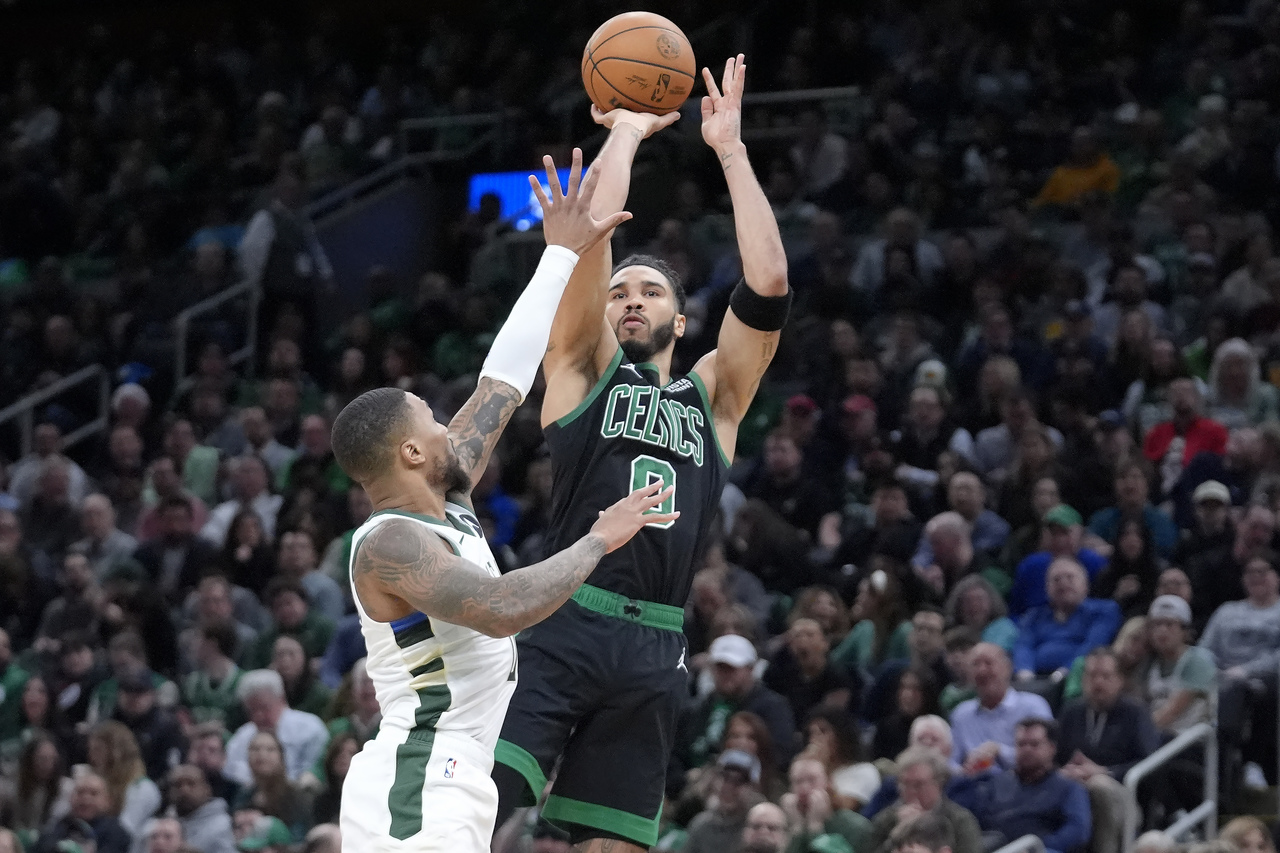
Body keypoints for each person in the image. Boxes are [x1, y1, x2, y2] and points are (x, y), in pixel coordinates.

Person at [495, 56, 793, 852]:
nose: (631, 299)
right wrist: (625, 131)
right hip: (563, 615)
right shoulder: (580, 369)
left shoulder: (715, 398)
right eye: (620, 291)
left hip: (656, 641)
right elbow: (588, 235)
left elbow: (769, 280)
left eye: (650, 291)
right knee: (475, 806)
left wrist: (730, 150)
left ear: (681, 320)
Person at [330, 149, 660, 853]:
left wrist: (560, 255)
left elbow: (502, 383)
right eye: (430, 417)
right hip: (420, 777)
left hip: (452, 774)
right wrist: (599, 539)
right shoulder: (389, 544)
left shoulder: (444, 494)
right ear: (409, 452)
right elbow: (502, 606)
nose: (447, 424)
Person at [1056, 648, 1159, 853]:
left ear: (1120, 680)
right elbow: (1055, 757)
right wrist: (1066, 771)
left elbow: (1150, 763)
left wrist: (1104, 771)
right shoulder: (1071, 712)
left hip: (1125, 794)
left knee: (1098, 785)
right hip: (1074, 788)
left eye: (1105, 676)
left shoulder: (1135, 713)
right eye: (1092, 676)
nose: (1098, 683)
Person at [675, 634, 796, 774]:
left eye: (732, 668)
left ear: (751, 669)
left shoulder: (773, 708)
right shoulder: (697, 709)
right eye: (720, 668)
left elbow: (779, 754)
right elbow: (676, 751)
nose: (726, 675)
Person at [971, 718, 1091, 853]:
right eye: (1021, 744)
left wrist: (1037, 848)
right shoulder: (996, 783)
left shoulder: (1069, 788)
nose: (1027, 750)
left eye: (1034, 744)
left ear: (1051, 748)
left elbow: (1078, 831)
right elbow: (975, 822)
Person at [1013, 557, 1122, 682]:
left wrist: (1063, 673)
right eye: (1056, 579)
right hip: (1033, 679)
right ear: (1047, 588)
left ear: (1085, 584)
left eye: (1070, 577)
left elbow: (1092, 646)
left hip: (1078, 679)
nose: (1063, 583)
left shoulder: (1104, 610)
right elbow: (1023, 645)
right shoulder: (1033, 616)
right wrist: (1025, 672)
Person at [949, 644, 1052, 774]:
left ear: (1007, 668)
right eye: (975, 665)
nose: (982, 671)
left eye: (988, 663)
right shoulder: (961, 714)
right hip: (973, 783)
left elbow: (1044, 756)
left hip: (1023, 781)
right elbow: (951, 761)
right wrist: (963, 771)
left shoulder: (1032, 706)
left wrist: (999, 751)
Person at [865, 748, 982, 853]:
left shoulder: (959, 821)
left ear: (939, 783)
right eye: (905, 784)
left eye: (918, 785)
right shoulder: (887, 820)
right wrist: (897, 834)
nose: (911, 791)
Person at [223, 670, 328, 787]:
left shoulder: (310, 728)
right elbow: (229, 767)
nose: (259, 715)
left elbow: (314, 769)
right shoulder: (243, 736)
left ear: (281, 699)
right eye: (252, 710)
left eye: (264, 708)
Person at [1144, 595, 1215, 735]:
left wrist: (1136, 733)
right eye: (1157, 624)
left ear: (1184, 630)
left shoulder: (1198, 660)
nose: (1162, 630)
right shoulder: (1151, 663)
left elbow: (1172, 712)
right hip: (1158, 736)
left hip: (1189, 739)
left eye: (1169, 624)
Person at [87, 719, 163, 841]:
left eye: (98, 750)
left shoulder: (142, 789)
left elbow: (125, 831)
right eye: (91, 750)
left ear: (115, 753)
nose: (92, 757)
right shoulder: (99, 784)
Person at [781, 757, 871, 853]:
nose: (804, 788)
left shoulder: (854, 826)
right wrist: (797, 829)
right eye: (798, 782)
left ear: (828, 783)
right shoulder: (786, 824)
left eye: (812, 780)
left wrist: (815, 828)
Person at [682, 750, 765, 853]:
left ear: (754, 788)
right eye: (725, 777)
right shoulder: (701, 825)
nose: (729, 787)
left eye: (740, 780)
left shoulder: (762, 828)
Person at [167, 763, 235, 853]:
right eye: (178, 785)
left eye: (191, 784)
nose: (184, 790)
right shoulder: (162, 826)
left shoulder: (224, 825)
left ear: (206, 789)